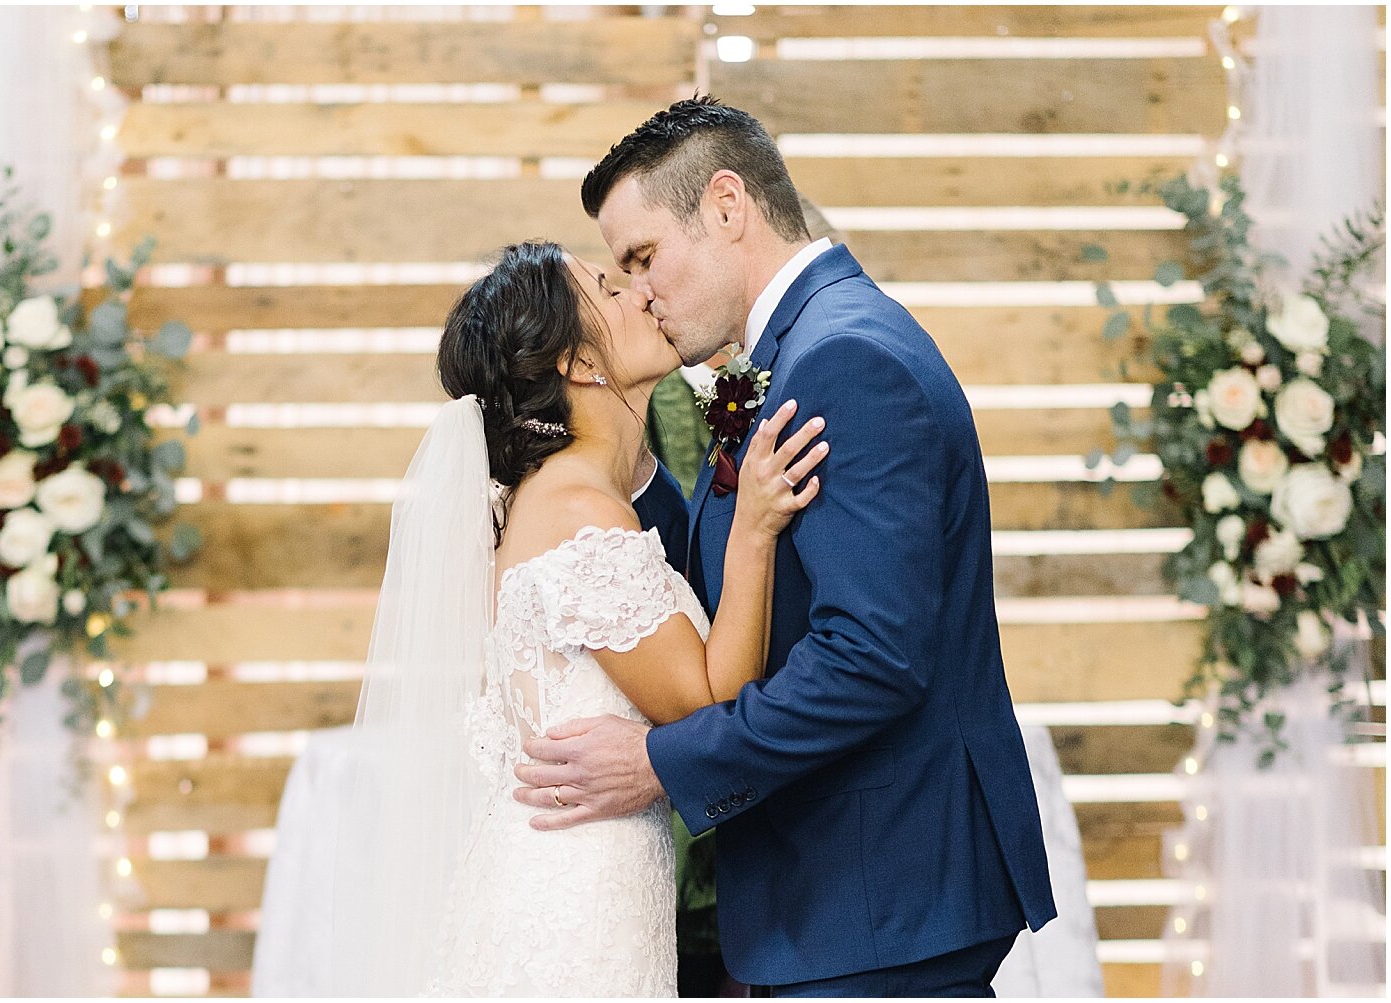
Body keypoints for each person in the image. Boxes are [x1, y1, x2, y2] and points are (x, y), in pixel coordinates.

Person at [511, 96, 1058, 997]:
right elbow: (737, 584)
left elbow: (871, 659)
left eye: (643, 257)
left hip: (878, 900)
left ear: (727, 206)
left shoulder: (847, 361)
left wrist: (658, 763)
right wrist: (621, 465)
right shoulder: (797, 348)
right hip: (845, 902)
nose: (637, 291)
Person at [327, 239, 828, 996]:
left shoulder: (567, 497)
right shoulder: (577, 510)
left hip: (574, 881)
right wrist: (754, 529)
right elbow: (709, 700)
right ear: (576, 364)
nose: (636, 289)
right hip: (574, 904)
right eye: (606, 287)